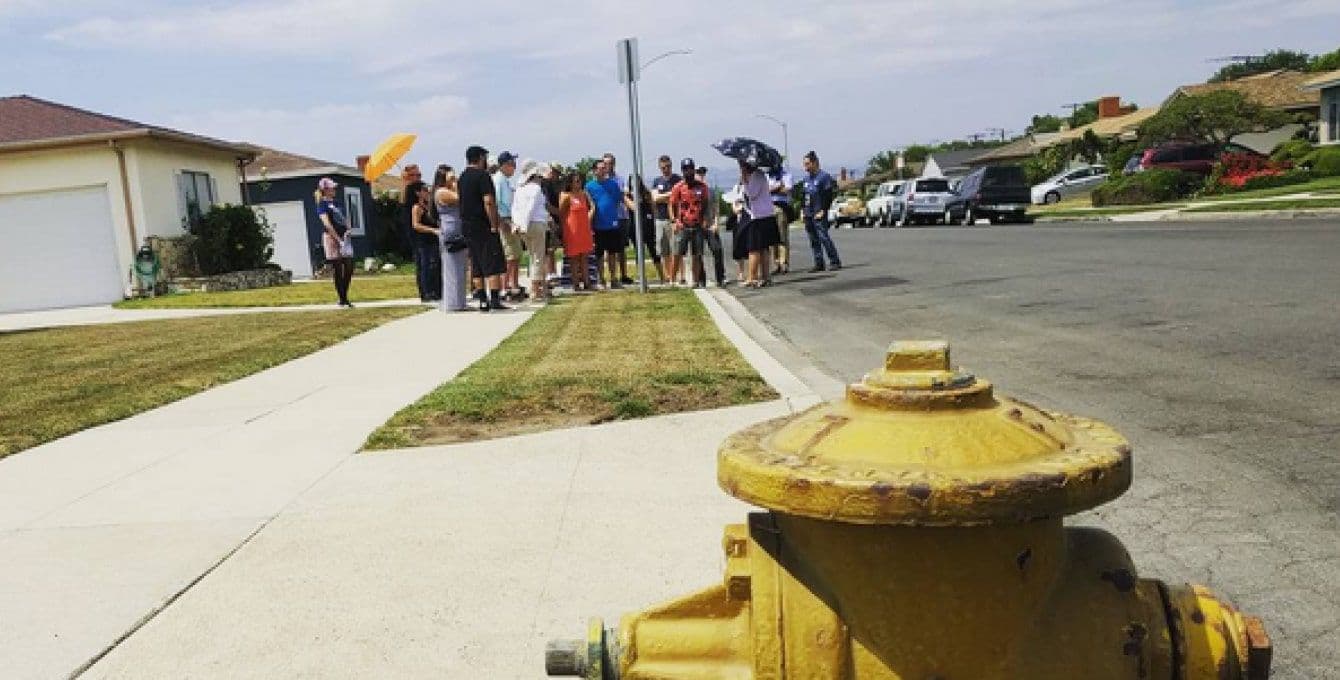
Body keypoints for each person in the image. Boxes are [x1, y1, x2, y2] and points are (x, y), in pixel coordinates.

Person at [459, 145, 510, 311]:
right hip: (483, 224)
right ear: (480, 158)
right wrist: (493, 223)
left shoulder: (462, 178)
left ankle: (482, 299)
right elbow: (488, 201)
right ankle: (494, 299)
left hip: (467, 225)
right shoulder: (483, 176)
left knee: (476, 263)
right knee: (491, 261)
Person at [512, 159, 553, 302]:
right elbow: (529, 208)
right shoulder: (535, 189)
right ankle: (535, 289)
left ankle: (541, 287)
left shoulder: (519, 189)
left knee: (533, 256)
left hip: (524, 225)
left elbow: (515, 209)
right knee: (537, 257)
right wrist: (523, 224)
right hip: (534, 224)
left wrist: (517, 225)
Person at [668, 158, 712, 288]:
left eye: (690, 169)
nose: (688, 172)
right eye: (685, 169)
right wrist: (674, 220)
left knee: (697, 254)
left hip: (697, 224)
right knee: (677, 253)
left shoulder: (702, 187)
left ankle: (695, 280)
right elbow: (671, 204)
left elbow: (705, 203)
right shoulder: (679, 187)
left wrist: (704, 219)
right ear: (682, 171)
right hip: (683, 224)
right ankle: (672, 280)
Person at [585, 159, 625, 289]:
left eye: (605, 167)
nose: (603, 170)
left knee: (613, 253)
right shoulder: (589, 186)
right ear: (595, 170)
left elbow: (619, 199)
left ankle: (613, 278)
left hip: (612, 224)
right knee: (599, 254)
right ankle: (601, 279)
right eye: (601, 168)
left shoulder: (613, 184)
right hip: (598, 225)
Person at [800, 150, 842, 272]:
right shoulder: (806, 179)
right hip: (808, 212)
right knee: (813, 239)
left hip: (819, 211)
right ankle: (819, 262)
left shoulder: (824, 177)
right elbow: (803, 196)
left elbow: (828, 195)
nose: (806, 167)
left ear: (814, 163)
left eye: (807, 164)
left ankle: (834, 260)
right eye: (804, 164)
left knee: (823, 237)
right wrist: (802, 211)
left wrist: (824, 209)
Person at [740, 159, 780, 287]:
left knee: (754, 249)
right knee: (763, 248)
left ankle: (753, 277)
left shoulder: (756, 176)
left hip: (759, 216)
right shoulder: (758, 175)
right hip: (764, 214)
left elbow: (752, 194)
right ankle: (765, 276)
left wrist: (745, 180)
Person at [315, 177, 355, 307]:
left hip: (344, 237)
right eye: (332, 188)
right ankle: (343, 299)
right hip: (331, 238)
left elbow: (343, 219)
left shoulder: (337, 203)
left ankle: (344, 296)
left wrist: (348, 229)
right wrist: (337, 239)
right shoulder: (322, 205)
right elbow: (327, 224)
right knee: (338, 268)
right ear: (325, 190)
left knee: (349, 267)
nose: (334, 189)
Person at [433, 165, 468, 312]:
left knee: (461, 269)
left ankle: (460, 301)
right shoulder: (441, 192)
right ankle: (452, 303)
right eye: (451, 177)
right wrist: (456, 185)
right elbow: (460, 199)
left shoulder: (449, 190)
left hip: (458, 230)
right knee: (452, 269)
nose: (454, 179)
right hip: (450, 232)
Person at [492, 151, 525, 301]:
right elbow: (496, 203)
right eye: (512, 164)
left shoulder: (505, 181)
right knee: (510, 256)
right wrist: (502, 222)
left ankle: (514, 284)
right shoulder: (498, 180)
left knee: (516, 254)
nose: (514, 167)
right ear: (504, 165)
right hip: (505, 220)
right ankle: (506, 287)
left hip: (510, 219)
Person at [559, 170, 595, 291]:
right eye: (576, 181)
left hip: (584, 229)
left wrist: (588, 216)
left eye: (579, 181)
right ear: (570, 183)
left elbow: (592, 206)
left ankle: (587, 282)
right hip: (572, 230)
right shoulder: (566, 196)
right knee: (574, 258)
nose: (578, 183)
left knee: (584, 256)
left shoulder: (584, 194)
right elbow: (562, 213)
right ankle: (575, 284)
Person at [650, 155, 683, 286]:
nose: (666, 169)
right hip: (660, 218)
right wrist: (671, 194)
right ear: (659, 167)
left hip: (675, 219)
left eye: (668, 166)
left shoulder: (678, 180)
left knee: (677, 248)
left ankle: (681, 276)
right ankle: (668, 276)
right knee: (664, 250)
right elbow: (655, 198)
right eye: (663, 167)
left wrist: (667, 196)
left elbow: (679, 197)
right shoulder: (656, 181)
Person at [602, 153, 634, 285]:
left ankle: (624, 274)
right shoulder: (601, 180)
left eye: (610, 163)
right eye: (605, 164)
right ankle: (610, 275)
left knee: (621, 248)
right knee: (608, 249)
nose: (608, 166)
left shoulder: (620, 179)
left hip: (621, 217)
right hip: (606, 218)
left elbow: (623, 194)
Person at [408, 180, 442, 302]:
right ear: (418, 193)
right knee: (425, 266)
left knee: (435, 266)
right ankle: (426, 292)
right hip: (422, 241)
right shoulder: (416, 207)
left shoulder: (429, 207)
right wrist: (432, 230)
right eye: (424, 190)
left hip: (433, 241)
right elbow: (416, 225)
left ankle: (436, 290)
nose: (427, 192)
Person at [631, 176, 667, 284]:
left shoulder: (647, 193)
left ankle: (662, 276)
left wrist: (653, 219)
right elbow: (633, 208)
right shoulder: (629, 195)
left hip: (648, 225)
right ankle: (642, 277)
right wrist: (627, 196)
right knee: (639, 252)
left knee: (653, 251)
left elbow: (653, 208)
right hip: (636, 226)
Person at [696, 167, 727, 287]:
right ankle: (701, 279)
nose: (701, 175)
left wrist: (716, 223)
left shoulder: (710, 191)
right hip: (697, 226)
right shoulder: (691, 190)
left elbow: (716, 208)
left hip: (710, 225)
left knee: (717, 250)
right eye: (698, 173)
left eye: (703, 173)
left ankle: (720, 277)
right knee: (698, 253)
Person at [769, 165, 794, 275]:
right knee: (772, 238)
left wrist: (775, 189)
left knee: (782, 236)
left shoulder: (786, 175)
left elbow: (787, 190)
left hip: (781, 207)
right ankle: (776, 264)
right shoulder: (767, 176)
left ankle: (784, 263)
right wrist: (778, 187)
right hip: (769, 207)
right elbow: (765, 190)